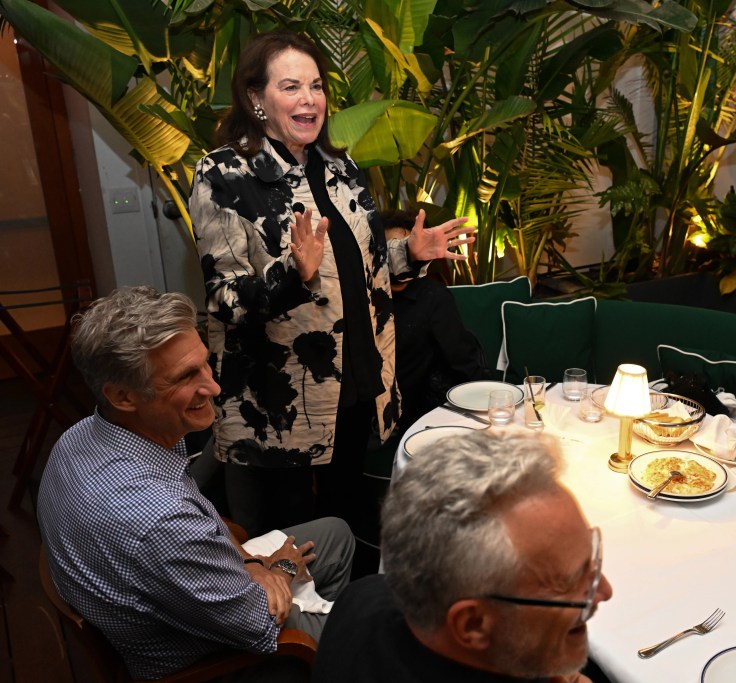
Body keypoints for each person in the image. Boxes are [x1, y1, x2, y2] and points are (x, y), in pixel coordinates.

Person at [189, 31, 475, 537]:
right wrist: (292, 275)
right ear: (256, 99)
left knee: (346, 525)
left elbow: (358, 270)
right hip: (281, 402)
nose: (309, 99)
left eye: (316, 86)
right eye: (291, 86)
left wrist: (407, 254)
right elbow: (223, 299)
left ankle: (345, 614)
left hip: (355, 382)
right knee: (290, 543)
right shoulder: (225, 175)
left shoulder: (340, 169)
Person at [37, 286, 355, 680]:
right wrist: (279, 568)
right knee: (383, 627)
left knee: (336, 535)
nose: (215, 388)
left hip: (194, 595)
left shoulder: (81, 435)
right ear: (122, 395)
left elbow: (191, 521)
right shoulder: (159, 520)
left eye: (204, 364)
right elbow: (258, 621)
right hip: (216, 660)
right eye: (187, 376)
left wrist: (248, 561)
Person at [311, 430, 613, 683]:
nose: (604, 590)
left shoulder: (362, 596)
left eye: (593, 560)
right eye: (571, 581)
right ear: (473, 625)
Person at [382, 209, 489, 434]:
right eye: (391, 250)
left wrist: (492, 402)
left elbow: (463, 358)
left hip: (420, 417)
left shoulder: (432, 296)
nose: (399, 259)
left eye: (406, 248)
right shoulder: (363, 300)